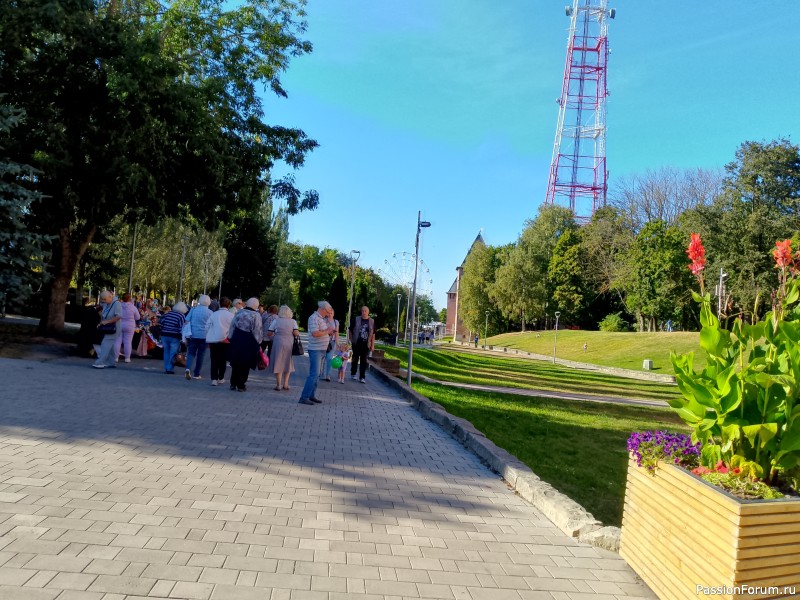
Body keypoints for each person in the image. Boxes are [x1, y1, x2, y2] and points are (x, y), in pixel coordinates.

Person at [299, 301, 335, 405]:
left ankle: (311, 395)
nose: (328, 314)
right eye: (328, 312)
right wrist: (328, 331)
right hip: (316, 350)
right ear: (323, 309)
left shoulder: (320, 319)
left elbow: (321, 332)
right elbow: (315, 333)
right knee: (314, 374)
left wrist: (329, 332)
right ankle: (304, 397)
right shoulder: (313, 318)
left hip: (321, 349)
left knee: (316, 374)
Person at [226, 297, 262, 392]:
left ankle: (233, 383)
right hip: (248, 340)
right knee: (245, 363)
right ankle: (241, 385)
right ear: (256, 306)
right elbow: (257, 330)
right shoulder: (256, 315)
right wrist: (258, 342)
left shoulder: (239, 312)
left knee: (236, 362)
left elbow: (232, 325)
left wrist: (230, 337)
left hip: (237, 338)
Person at [267, 305, 300, 391]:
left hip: (278, 342)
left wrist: (274, 337)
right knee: (287, 362)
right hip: (289, 342)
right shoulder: (293, 321)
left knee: (278, 362)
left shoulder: (276, 321)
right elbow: (296, 333)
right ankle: (285, 384)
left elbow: (269, 333)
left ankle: (278, 385)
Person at [184, 294, 213, 380]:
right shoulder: (210, 313)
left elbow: (186, 320)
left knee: (190, 353)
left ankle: (187, 368)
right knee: (201, 355)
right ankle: (197, 373)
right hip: (204, 336)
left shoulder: (193, 310)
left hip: (193, 335)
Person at [206, 297, 233, 386]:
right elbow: (233, 328)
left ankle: (214, 379)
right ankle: (221, 377)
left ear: (220, 304)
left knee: (214, 360)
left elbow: (207, 326)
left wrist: (209, 334)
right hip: (225, 341)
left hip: (213, 340)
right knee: (223, 360)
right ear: (229, 305)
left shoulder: (214, 314)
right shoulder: (231, 315)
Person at [92, 291, 122, 369]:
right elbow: (104, 315)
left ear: (110, 297)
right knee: (109, 345)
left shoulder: (117, 304)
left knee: (105, 344)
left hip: (113, 328)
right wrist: (101, 323)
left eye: (104, 299)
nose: (103, 301)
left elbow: (118, 316)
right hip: (107, 328)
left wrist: (106, 321)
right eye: (102, 299)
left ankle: (100, 362)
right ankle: (111, 362)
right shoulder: (106, 304)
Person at [348, 306, 375, 383]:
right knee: (355, 359)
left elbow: (373, 334)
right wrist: (351, 339)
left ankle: (362, 377)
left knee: (364, 360)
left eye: (365, 311)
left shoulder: (372, 321)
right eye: (362, 311)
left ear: (368, 312)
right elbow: (350, 329)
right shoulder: (356, 319)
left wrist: (372, 345)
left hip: (366, 344)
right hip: (356, 343)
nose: (364, 312)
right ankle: (353, 373)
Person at [160, 302, 188, 374]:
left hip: (164, 335)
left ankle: (166, 367)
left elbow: (162, 323)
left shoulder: (168, 314)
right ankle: (169, 368)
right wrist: (183, 338)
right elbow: (181, 328)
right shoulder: (181, 316)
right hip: (174, 337)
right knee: (173, 352)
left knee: (166, 351)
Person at [113, 293, 140, 363]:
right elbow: (138, 317)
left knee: (117, 341)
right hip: (130, 325)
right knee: (128, 342)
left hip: (119, 324)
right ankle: (127, 358)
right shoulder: (133, 307)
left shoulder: (118, 306)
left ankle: (115, 357)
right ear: (130, 298)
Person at [320, 307, 339, 382]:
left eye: (331, 313)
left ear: (333, 314)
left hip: (332, 342)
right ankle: (321, 373)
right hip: (324, 341)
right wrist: (328, 332)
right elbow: (321, 331)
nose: (330, 315)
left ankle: (328, 375)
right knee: (322, 358)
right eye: (329, 313)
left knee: (329, 359)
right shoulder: (323, 321)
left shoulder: (336, 322)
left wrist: (338, 343)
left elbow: (337, 333)